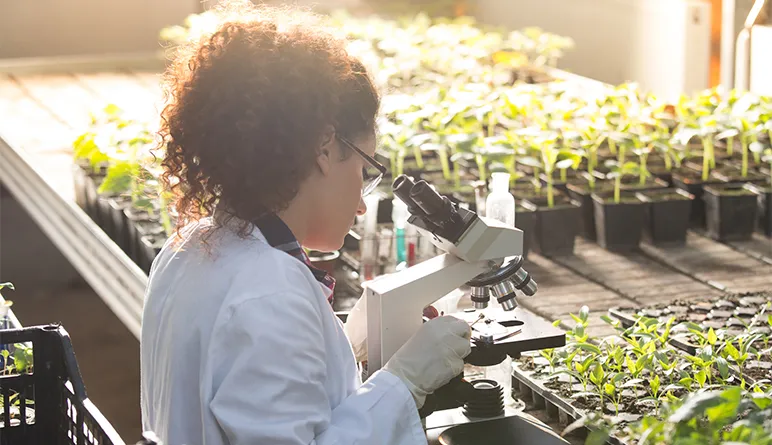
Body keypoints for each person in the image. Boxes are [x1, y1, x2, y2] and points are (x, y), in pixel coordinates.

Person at [139, 2, 472, 444]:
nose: (361, 204)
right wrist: (405, 383)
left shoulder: (188, 246)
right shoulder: (271, 294)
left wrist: (346, 340)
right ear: (324, 149)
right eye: (364, 170)